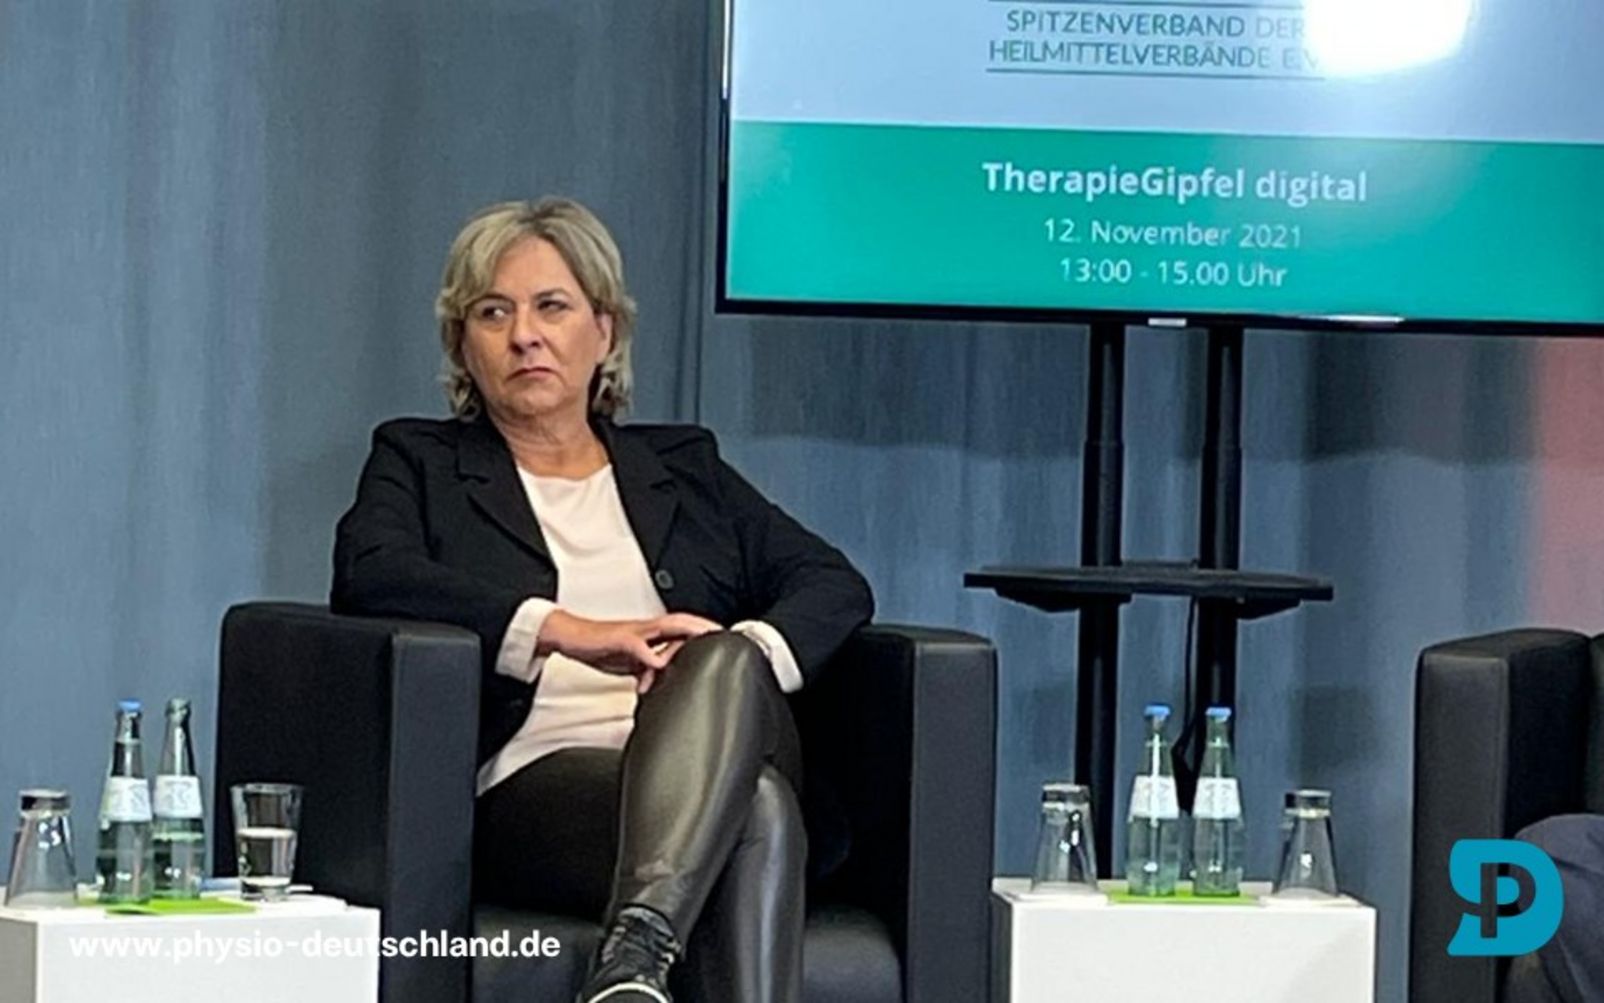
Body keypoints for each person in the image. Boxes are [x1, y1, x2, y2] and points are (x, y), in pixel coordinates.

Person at [329, 197, 874, 1003]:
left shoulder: (684, 468)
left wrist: (730, 659)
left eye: (552, 306)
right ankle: (634, 959)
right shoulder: (419, 460)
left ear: (605, 331)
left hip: (707, 753)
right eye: (493, 312)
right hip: (543, 786)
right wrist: (568, 631)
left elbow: (833, 583)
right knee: (758, 811)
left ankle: (633, 960)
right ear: (462, 344)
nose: (524, 335)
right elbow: (371, 572)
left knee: (725, 660)